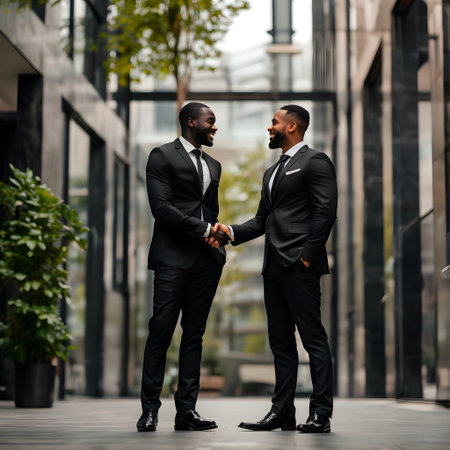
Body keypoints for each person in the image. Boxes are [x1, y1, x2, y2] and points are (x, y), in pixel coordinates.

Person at [210, 105, 337, 433]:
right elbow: (263, 220)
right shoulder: (271, 172)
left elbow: (326, 211)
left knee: (313, 340)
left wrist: (308, 255)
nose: (270, 128)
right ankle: (282, 412)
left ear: (292, 126)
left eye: (274, 122)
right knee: (280, 343)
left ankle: (320, 414)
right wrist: (231, 232)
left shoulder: (316, 161)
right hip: (273, 269)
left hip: (300, 266)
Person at [137, 102, 229, 432]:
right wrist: (204, 229)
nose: (215, 127)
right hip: (172, 258)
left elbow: (210, 211)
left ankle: (186, 412)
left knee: (194, 336)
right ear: (192, 122)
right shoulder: (161, 156)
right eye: (210, 121)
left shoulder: (215, 166)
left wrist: (216, 235)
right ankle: (149, 410)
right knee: (160, 331)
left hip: (206, 262)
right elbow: (161, 208)